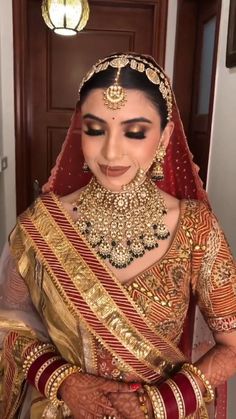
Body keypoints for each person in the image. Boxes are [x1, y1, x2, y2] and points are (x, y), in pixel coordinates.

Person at [0, 52, 236, 419]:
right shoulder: (40, 227)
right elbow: (9, 325)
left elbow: (232, 345)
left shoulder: (196, 229)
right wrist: (63, 381)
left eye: (135, 131)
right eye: (95, 130)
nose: (111, 151)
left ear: (164, 135)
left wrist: (159, 403)